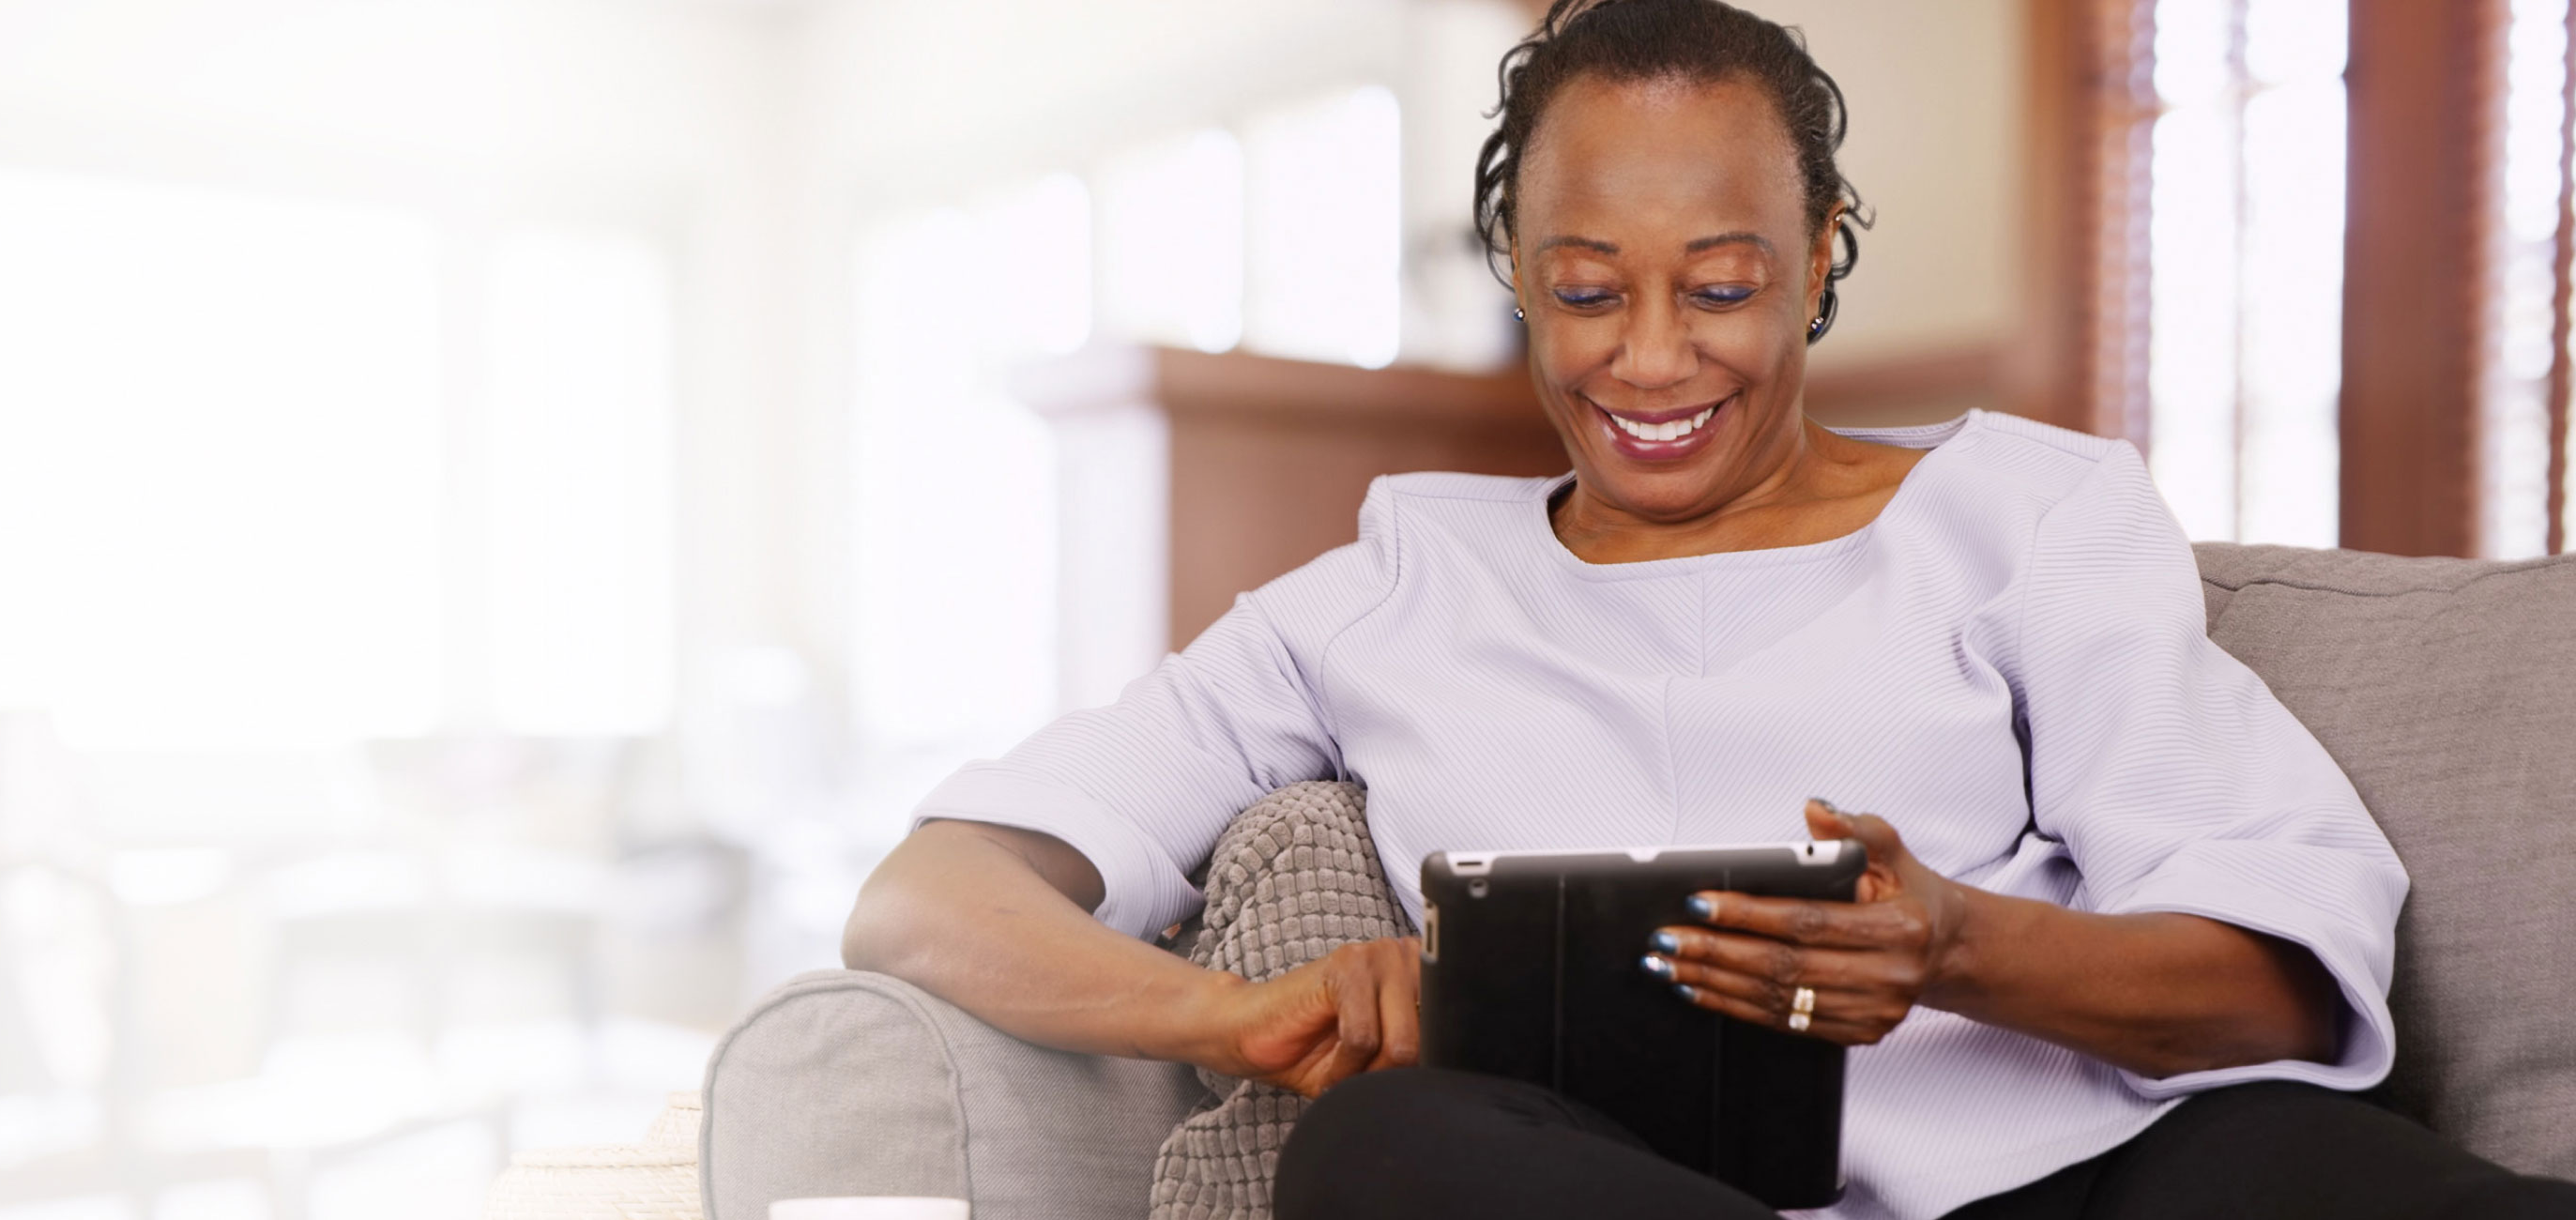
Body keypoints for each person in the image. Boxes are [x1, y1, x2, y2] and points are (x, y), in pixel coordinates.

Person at [841, 2, 2576, 1216]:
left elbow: (2274, 988)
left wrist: (1958, 948)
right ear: (1522, 271)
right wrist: (1244, 1019)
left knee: (2298, 1168)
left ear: (1821, 257)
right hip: (1631, 1195)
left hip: (2078, 1183)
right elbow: (935, 898)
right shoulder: (1379, 592)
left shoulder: (2033, 515)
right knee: (1382, 1154)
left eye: (1724, 287)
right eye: (1587, 289)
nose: (1651, 361)